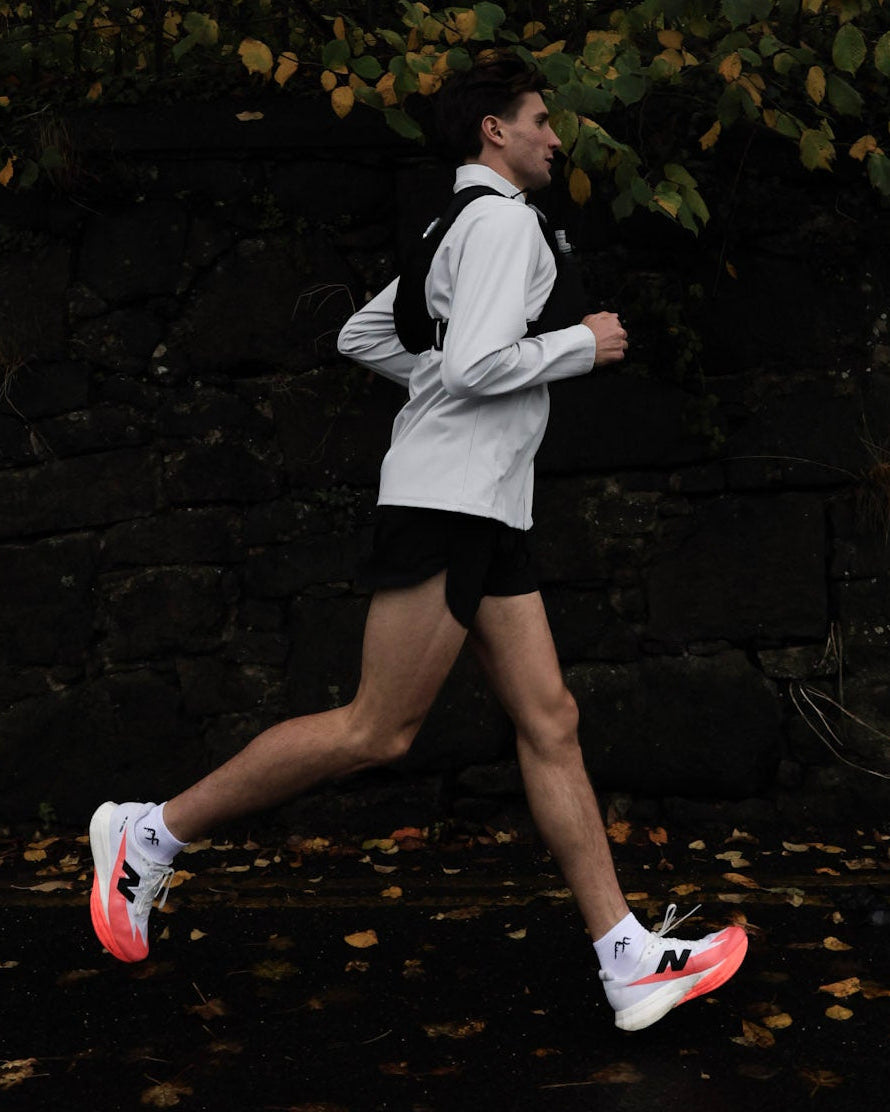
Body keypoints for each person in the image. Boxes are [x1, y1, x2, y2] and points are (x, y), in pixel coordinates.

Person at [88, 51, 746, 1032]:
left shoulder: (450, 224)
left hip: (483, 501)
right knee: (375, 729)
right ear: (493, 129)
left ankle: (626, 955)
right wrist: (581, 345)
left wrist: (446, 372)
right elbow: (479, 362)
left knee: (550, 718)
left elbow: (367, 334)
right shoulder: (499, 223)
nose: (553, 136)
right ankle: (149, 832)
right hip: (449, 499)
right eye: (537, 118)